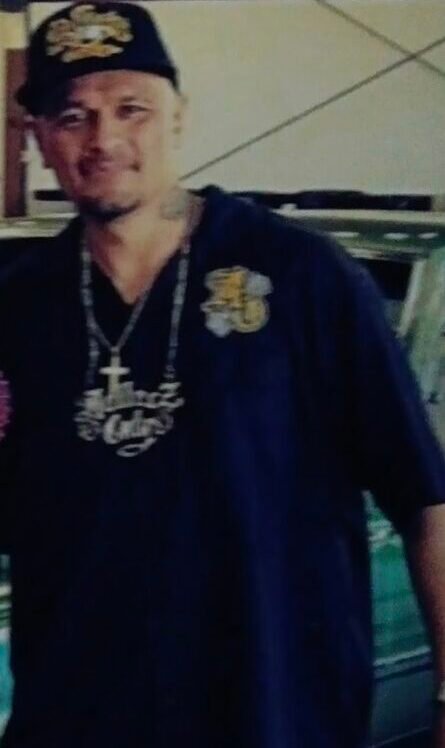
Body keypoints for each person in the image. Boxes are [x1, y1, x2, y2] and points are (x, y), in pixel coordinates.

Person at [0, 2, 444, 747]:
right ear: (39, 138)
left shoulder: (303, 277)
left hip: (273, 714)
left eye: (131, 109)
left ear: (179, 118)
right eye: (72, 117)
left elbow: (424, 498)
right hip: (76, 718)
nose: (104, 139)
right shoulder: (19, 304)